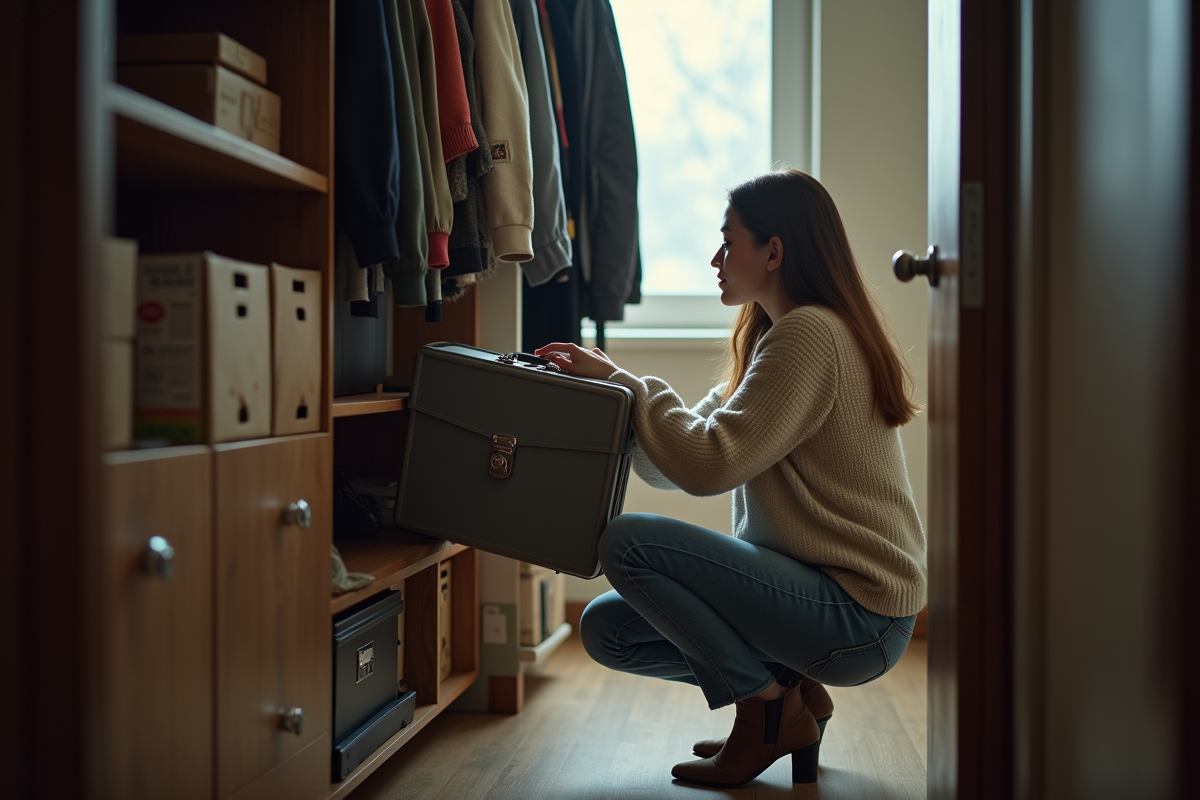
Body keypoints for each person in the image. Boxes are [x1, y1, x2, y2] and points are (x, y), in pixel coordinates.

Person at [533, 170, 927, 789]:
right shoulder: (778, 337)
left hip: (859, 617)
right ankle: (791, 697)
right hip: (822, 602)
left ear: (773, 251)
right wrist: (614, 392)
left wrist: (624, 381)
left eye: (729, 242)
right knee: (609, 630)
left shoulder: (811, 335)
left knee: (626, 543)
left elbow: (709, 464)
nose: (716, 259)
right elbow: (682, 454)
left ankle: (765, 710)